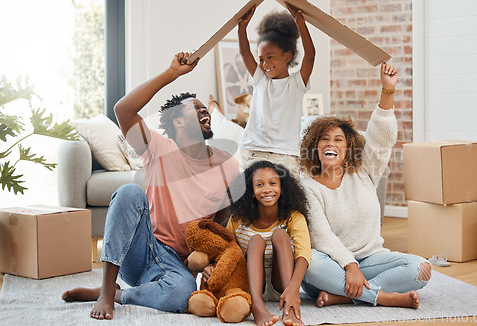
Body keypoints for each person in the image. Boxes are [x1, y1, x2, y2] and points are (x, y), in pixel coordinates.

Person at [61, 52, 240, 319]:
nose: (205, 111)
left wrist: (210, 262)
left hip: (177, 263)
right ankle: (107, 290)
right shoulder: (157, 147)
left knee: (182, 294)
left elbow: (223, 221)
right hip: (141, 249)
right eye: (196, 108)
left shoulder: (227, 164)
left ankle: (122, 295)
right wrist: (172, 73)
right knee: (129, 192)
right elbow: (123, 110)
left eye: (206, 108)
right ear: (178, 120)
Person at [299, 63, 432, 309]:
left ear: (348, 148)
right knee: (310, 263)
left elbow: (381, 138)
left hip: (371, 261)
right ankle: (382, 297)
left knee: (421, 268)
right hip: (331, 266)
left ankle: (344, 296)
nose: (331, 143)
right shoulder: (307, 187)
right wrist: (349, 265)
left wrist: (387, 90)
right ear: (314, 147)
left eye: (338, 139)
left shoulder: (364, 172)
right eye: (324, 139)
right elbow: (320, 236)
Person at [225, 160, 311, 326]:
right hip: (251, 284)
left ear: (282, 189)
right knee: (255, 240)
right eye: (259, 184)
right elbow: (226, 251)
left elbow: (303, 255)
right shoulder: (238, 220)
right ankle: (257, 306)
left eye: (273, 183)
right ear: (250, 192)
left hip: (282, 285)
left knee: (280, 234)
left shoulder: (294, 217)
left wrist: (294, 288)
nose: (267, 189)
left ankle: (290, 309)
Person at [237, 2, 315, 178]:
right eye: (261, 59)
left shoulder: (296, 83)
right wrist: (242, 28)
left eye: (270, 57)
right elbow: (244, 54)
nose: (264, 64)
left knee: (285, 201)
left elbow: (310, 56)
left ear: (287, 56)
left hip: (285, 154)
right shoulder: (260, 80)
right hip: (255, 150)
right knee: (256, 199)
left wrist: (301, 24)